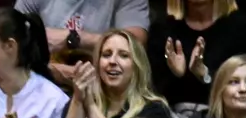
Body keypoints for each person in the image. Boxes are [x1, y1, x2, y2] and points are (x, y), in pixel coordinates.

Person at [148, 0, 246, 111]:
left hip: (227, 115)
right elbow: (153, 92)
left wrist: (205, 75)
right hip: (173, 116)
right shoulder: (162, 29)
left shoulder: (242, 27)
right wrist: (177, 75)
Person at [14, 0, 150, 87]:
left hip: (105, 86)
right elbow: (12, 43)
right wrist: (49, 70)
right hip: (45, 82)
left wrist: (73, 38)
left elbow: (134, 44)